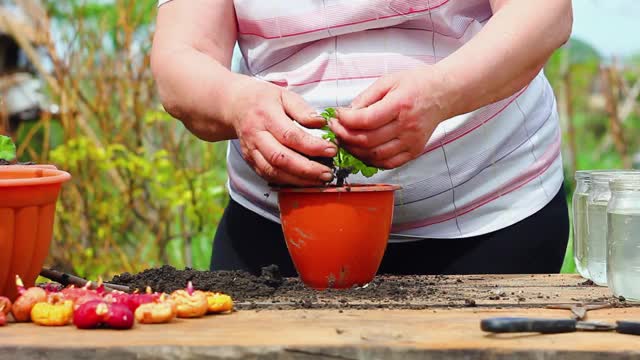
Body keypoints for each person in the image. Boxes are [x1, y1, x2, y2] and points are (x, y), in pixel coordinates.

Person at [151, 0, 573, 275]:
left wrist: (443, 90)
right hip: (280, 232)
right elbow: (180, 57)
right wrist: (235, 102)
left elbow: (544, 13)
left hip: (490, 216)